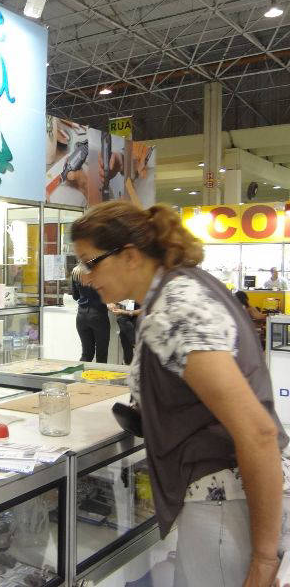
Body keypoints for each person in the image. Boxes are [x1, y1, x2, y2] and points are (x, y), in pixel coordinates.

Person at [71, 201, 288, 587]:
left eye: (91, 263)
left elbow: (258, 432)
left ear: (130, 256)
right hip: (230, 501)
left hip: (228, 506)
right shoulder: (184, 287)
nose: (86, 278)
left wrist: (263, 557)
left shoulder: (173, 311)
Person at [71, 264, 110, 363]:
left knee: (86, 354)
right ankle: (99, 374)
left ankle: (80, 373)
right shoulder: (100, 271)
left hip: (81, 316)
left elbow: (75, 296)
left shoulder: (76, 272)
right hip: (98, 315)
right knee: (101, 354)